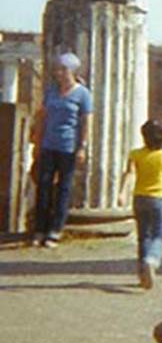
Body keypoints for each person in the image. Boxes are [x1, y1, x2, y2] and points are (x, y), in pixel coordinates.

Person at [31, 52, 93, 246]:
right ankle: (39, 229)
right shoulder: (51, 91)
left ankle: (55, 230)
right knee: (43, 186)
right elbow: (43, 117)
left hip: (68, 147)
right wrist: (37, 143)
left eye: (63, 69)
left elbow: (85, 122)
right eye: (57, 69)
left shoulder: (82, 94)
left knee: (63, 189)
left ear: (72, 71)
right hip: (49, 144)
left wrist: (82, 147)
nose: (59, 73)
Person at [121, 120, 162, 290]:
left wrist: (122, 193)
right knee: (158, 234)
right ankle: (152, 259)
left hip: (139, 197)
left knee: (143, 236)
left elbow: (130, 174)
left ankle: (142, 275)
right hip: (157, 198)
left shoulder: (135, 154)